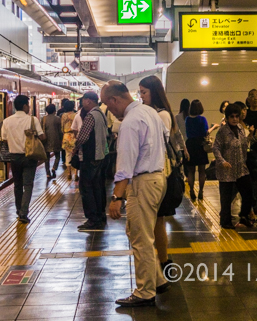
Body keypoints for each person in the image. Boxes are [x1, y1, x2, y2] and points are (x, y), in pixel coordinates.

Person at [103, 80, 170, 307]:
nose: (110, 112)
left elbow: (125, 165)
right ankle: (158, 280)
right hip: (157, 178)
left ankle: (145, 292)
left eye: (109, 106)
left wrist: (116, 198)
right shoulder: (149, 112)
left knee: (140, 238)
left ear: (115, 100)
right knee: (138, 232)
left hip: (142, 182)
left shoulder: (130, 122)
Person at [138, 75, 189, 271]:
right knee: (156, 220)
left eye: (144, 92)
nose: (141, 97)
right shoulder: (151, 112)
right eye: (140, 93)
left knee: (157, 220)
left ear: (154, 93)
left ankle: (163, 259)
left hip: (160, 173)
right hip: (154, 172)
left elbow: (156, 144)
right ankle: (162, 259)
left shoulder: (162, 115)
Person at [1, 95, 45, 224]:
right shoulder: (32, 120)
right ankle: (23, 213)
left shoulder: (7, 121)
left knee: (18, 185)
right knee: (28, 185)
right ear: (25, 106)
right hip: (29, 156)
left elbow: (4, 139)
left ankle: (18, 209)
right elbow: (42, 136)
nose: (29, 107)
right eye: (28, 105)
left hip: (14, 157)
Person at [213, 102, 255, 229]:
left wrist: (252, 135)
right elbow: (216, 147)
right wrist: (222, 161)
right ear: (227, 117)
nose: (235, 119)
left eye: (237, 116)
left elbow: (244, 144)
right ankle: (225, 221)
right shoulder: (222, 131)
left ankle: (244, 216)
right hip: (227, 170)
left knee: (248, 193)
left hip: (241, 168)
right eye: (232, 117)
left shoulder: (241, 129)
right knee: (226, 198)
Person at [72, 92, 109, 231]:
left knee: (86, 189)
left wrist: (75, 148)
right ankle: (100, 216)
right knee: (98, 188)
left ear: (88, 101)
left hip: (90, 157)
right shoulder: (101, 114)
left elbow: (82, 137)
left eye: (83, 101)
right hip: (101, 156)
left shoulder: (90, 116)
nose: (82, 103)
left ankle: (92, 219)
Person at [185, 99, 216, 201]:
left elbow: (188, 133)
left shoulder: (187, 119)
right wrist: (214, 127)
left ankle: (191, 191)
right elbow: (205, 133)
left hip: (190, 144)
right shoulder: (202, 119)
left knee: (191, 170)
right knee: (202, 170)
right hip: (200, 145)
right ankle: (201, 192)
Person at [41, 104, 62, 179]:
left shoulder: (43, 119)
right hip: (56, 140)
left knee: (46, 158)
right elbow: (60, 131)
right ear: (54, 110)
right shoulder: (58, 118)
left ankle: (47, 173)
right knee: (58, 156)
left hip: (46, 140)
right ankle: (54, 168)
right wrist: (61, 139)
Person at [61, 100, 78, 180]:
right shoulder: (76, 115)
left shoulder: (63, 116)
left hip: (66, 135)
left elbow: (61, 127)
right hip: (74, 136)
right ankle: (76, 173)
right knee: (75, 154)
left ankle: (68, 173)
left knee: (67, 155)